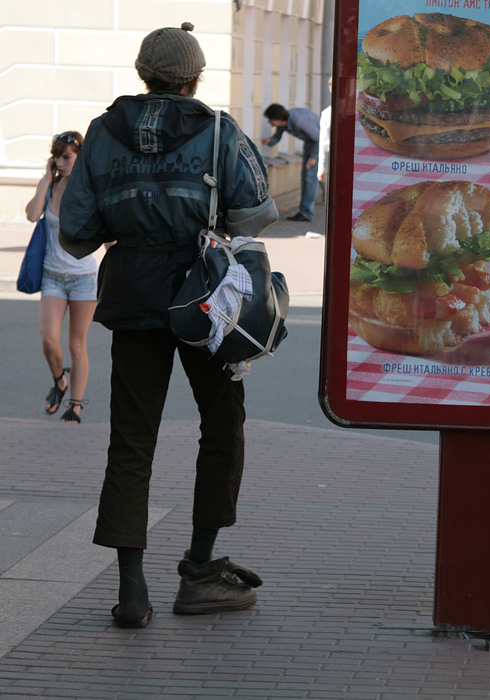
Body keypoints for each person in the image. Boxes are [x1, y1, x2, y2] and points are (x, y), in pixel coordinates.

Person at [59, 22, 277, 628]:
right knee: (223, 427)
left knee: (132, 438)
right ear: (194, 77)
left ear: (142, 73)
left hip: (130, 294)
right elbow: (257, 214)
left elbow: (76, 235)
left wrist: (132, 222)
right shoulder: (218, 131)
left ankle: (132, 592)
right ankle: (201, 573)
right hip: (205, 300)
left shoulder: (101, 134)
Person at [25, 131, 97, 424]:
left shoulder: (87, 190)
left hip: (83, 277)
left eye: (66, 156)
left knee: (76, 346)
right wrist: (45, 178)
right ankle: (59, 381)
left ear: (78, 158)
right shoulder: (52, 186)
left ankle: (75, 407)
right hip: (53, 276)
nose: (60, 161)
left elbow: (105, 233)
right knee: (48, 340)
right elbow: (32, 215)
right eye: (57, 156)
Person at [262, 103, 319, 222]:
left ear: (277, 118)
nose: (269, 122)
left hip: (316, 145)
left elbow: (317, 137)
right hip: (310, 143)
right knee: (306, 178)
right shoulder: (284, 123)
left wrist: (313, 157)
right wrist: (270, 141)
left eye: (270, 119)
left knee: (309, 178)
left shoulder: (298, 122)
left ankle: (307, 213)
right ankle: (304, 211)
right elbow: (277, 136)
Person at [317, 78, 332, 187]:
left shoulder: (327, 113)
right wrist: (321, 167)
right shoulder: (327, 113)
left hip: (335, 161)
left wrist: (321, 167)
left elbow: (325, 142)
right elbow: (324, 142)